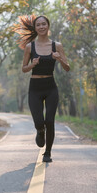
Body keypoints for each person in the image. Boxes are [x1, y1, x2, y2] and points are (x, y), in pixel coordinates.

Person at [14, 15, 70, 162]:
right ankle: (40, 131)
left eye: (44, 24)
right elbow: (24, 69)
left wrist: (59, 59)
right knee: (39, 121)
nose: (41, 27)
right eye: (38, 25)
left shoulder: (57, 46)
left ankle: (48, 153)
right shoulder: (29, 47)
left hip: (51, 87)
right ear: (35, 28)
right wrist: (32, 65)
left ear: (48, 26)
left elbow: (67, 68)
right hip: (35, 88)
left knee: (50, 120)